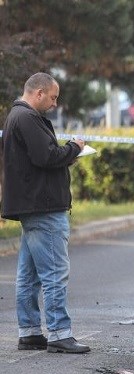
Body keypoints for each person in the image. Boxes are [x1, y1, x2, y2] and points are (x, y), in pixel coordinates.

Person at [1, 72, 90, 353]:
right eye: (52, 97)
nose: (54, 103)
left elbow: (39, 159)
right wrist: (74, 148)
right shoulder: (27, 118)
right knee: (54, 273)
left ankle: (28, 332)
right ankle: (59, 333)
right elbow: (46, 156)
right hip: (44, 207)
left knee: (29, 276)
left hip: (33, 205)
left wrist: (66, 156)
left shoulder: (17, 117)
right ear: (38, 93)